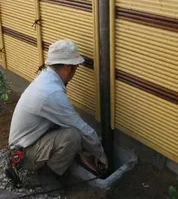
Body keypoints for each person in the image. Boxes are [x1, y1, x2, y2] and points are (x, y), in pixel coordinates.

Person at [8, 39, 107, 179]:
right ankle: (50, 177)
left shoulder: (46, 79)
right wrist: (100, 154)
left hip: (28, 142)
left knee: (69, 130)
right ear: (67, 67)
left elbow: (67, 122)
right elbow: (79, 127)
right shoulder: (51, 93)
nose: (75, 72)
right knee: (73, 136)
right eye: (76, 67)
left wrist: (84, 151)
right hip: (24, 154)